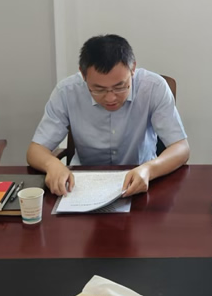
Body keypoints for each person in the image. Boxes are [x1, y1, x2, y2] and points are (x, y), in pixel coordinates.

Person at [27, 34, 189, 197]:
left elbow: (181, 148)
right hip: (82, 184)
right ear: (83, 74)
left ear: (133, 68)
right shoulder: (66, 92)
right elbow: (35, 150)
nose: (110, 98)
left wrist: (149, 169)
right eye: (99, 89)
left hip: (142, 181)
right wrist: (52, 164)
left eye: (120, 87)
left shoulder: (154, 87)